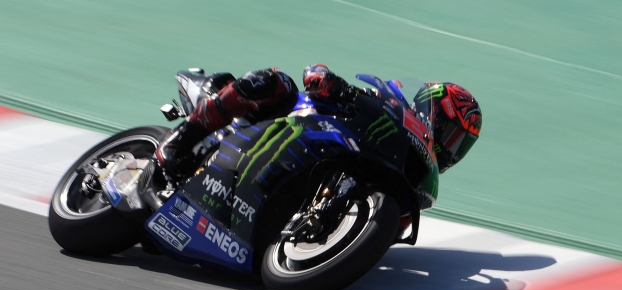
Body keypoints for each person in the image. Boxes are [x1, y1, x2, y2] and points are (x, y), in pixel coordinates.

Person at [155, 64, 482, 177]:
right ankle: (178, 142)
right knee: (276, 81)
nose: (451, 149)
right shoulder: (387, 110)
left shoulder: (413, 183)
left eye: (459, 145)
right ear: (432, 112)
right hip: (293, 125)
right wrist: (329, 81)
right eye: (451, 135)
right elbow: (320, 75)